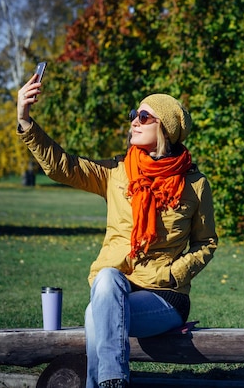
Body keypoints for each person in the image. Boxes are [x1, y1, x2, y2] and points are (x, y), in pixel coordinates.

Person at [17, 72, 218, 388]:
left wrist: (175, 273)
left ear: (165, 128)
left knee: (96, 316)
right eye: (133, 115)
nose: (133, 122)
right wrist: (25, 119)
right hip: (115, 288)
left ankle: (104, 382)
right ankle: (114, 381)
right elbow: (61, 166)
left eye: (143, 116)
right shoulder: (116, 173)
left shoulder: (195, 184)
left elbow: (206, 242)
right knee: (107, 279)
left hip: (164, 298)